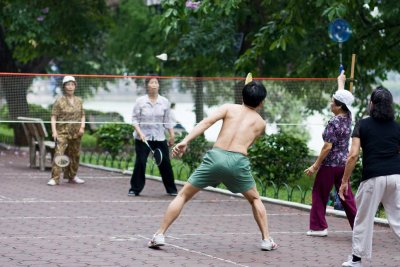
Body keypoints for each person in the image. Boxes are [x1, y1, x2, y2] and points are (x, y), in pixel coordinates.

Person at [147, 78, 278, 251]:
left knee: (183, 195)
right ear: (261, 103)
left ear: (242, 96)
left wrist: (185, 141)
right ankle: (267, 240)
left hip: (215, 157)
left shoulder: (228, 108)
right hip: (238, 161)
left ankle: (159, 235)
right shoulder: (261, 123)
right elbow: (248, 144)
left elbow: (206, 123)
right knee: (254, 199)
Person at [339, 87, 400, 267]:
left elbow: (353, 155)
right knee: (398, 219)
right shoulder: (397, 127)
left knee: (363, 219)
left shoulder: (362, 125)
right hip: (396, 176)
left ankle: (356, 260)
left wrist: (344, 181)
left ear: (372, 104)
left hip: (373, 178)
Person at [304, 71, 357, 236]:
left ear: (339, 105)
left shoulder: (334, 122)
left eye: (332, 101)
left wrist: (315, 165)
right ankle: (360, 228)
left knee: (319, 194)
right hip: (343, 164)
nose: (330, 103)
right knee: (346, 196)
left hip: (329, 166)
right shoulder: (348, 117)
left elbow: (327, 147)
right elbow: (343, 99)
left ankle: (318, 228)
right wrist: (340, 82)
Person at [129, 77, 177, 196]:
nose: (154, 85)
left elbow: (167, 120)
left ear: (158, 85)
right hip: (143, 138)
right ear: (147, 86)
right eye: (152, 82)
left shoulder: (165, 102)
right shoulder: (140, 101)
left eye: (156, 82)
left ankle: (171, 189)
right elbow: (134, 119)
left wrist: (172, 135)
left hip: (159, 137)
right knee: (140, 162)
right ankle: (135, 189)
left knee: (165, 163)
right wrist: (140, 133)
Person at [47, 76, 85, 186]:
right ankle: (55, 178)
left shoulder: (79, 100)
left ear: (75, 86)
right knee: (59, 154)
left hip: (76, 133)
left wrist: (82, 127)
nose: (70, 87)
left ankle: (72, 176)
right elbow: (53, 117)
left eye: (72, 84)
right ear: (64, 87)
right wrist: (54, 132)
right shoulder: (59, 101)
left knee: (75, 155)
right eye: (68, 84)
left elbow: (83, 115)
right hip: (62, 132)